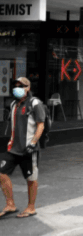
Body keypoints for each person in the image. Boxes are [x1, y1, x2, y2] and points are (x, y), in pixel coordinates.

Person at [0, 78, 46, 219]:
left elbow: (40, 125)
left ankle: (31, 207)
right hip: (13, 148)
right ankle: (10, 204)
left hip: (28, 149)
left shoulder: (35, 103)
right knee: (1, 173)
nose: (17, 88)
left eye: (21, 86)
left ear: (28, 88)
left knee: (31, 179)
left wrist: (33, 142)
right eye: (15, 85)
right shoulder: (14, 104)